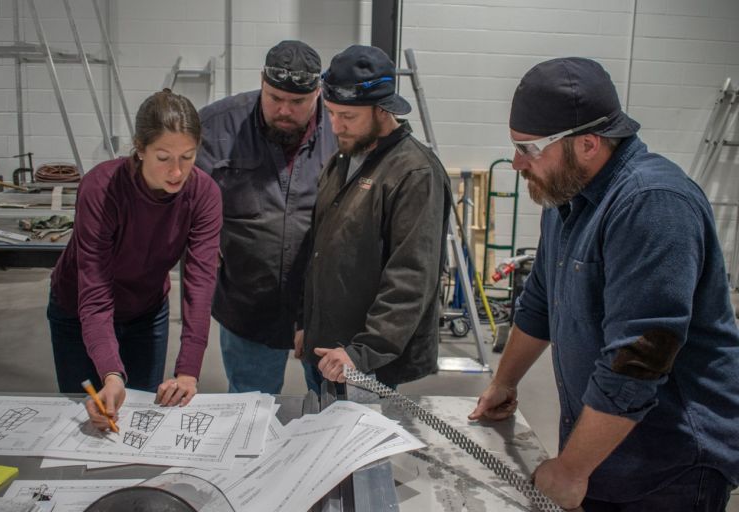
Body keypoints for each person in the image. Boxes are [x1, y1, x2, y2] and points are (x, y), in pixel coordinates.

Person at [468, 57, 739, 511]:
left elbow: (638, 359)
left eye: (529, 149)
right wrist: (504, 382)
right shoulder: (566, 195)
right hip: (607, 445)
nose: (516, 163)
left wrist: (571, 470)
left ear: (589, 144)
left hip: (668, 464)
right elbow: (539, 302)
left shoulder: (652, 205)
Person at [48, 89, 222, 430]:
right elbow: (95, 291)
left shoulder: (204, 194)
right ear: (140, 149)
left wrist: (188, 371)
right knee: (90, 417)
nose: (176, 171)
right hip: (78, 309)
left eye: (187, 157)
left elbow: (199, 285)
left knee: (142, 418)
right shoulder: (101, 188)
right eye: (163, 157)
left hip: (146, 310)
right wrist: (111, 375)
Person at [302, 45, 452, 392]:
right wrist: (305, 325)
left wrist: (364, 352)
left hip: (365, 362)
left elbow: (412, 276)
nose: (336, 126)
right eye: (331, 113)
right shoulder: (344, 158)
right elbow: (319, 250)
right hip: (326, 351)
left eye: (348, 117)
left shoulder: (415, 173)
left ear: (383, 110)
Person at [195, 40, 336, 394]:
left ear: (318, 93)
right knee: (249, 411)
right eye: (275, 98)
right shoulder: (215, 127)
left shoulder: (342, 132)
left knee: (335, 410)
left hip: (325, 308)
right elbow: (183, 196)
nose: (284, 110)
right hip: (248, 302)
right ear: (261, 81)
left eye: (297, 102)